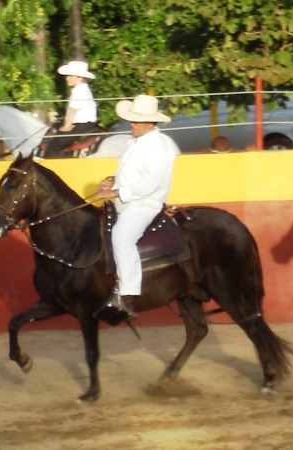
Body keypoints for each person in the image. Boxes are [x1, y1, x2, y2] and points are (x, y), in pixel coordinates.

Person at [96, 94, 179, 320]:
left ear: (151, 122)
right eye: (131, 119)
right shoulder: (133, 142)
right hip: (125, 200)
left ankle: (128, 294)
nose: (132, 123)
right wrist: (113, 180)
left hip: (145, 203)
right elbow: (130, 174)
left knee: (122, 237)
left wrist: (116, 192)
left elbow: (150, 184)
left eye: (136, 120)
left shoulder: (160, 148)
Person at [42, 60, 98, 156]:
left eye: (71, 76)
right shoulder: (84, 89)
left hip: (80, 126)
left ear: (80, 78)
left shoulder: (78, 90)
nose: (67, 78)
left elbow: (73, 110)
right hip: (87, 125)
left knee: (54, 146)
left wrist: (67, 126)